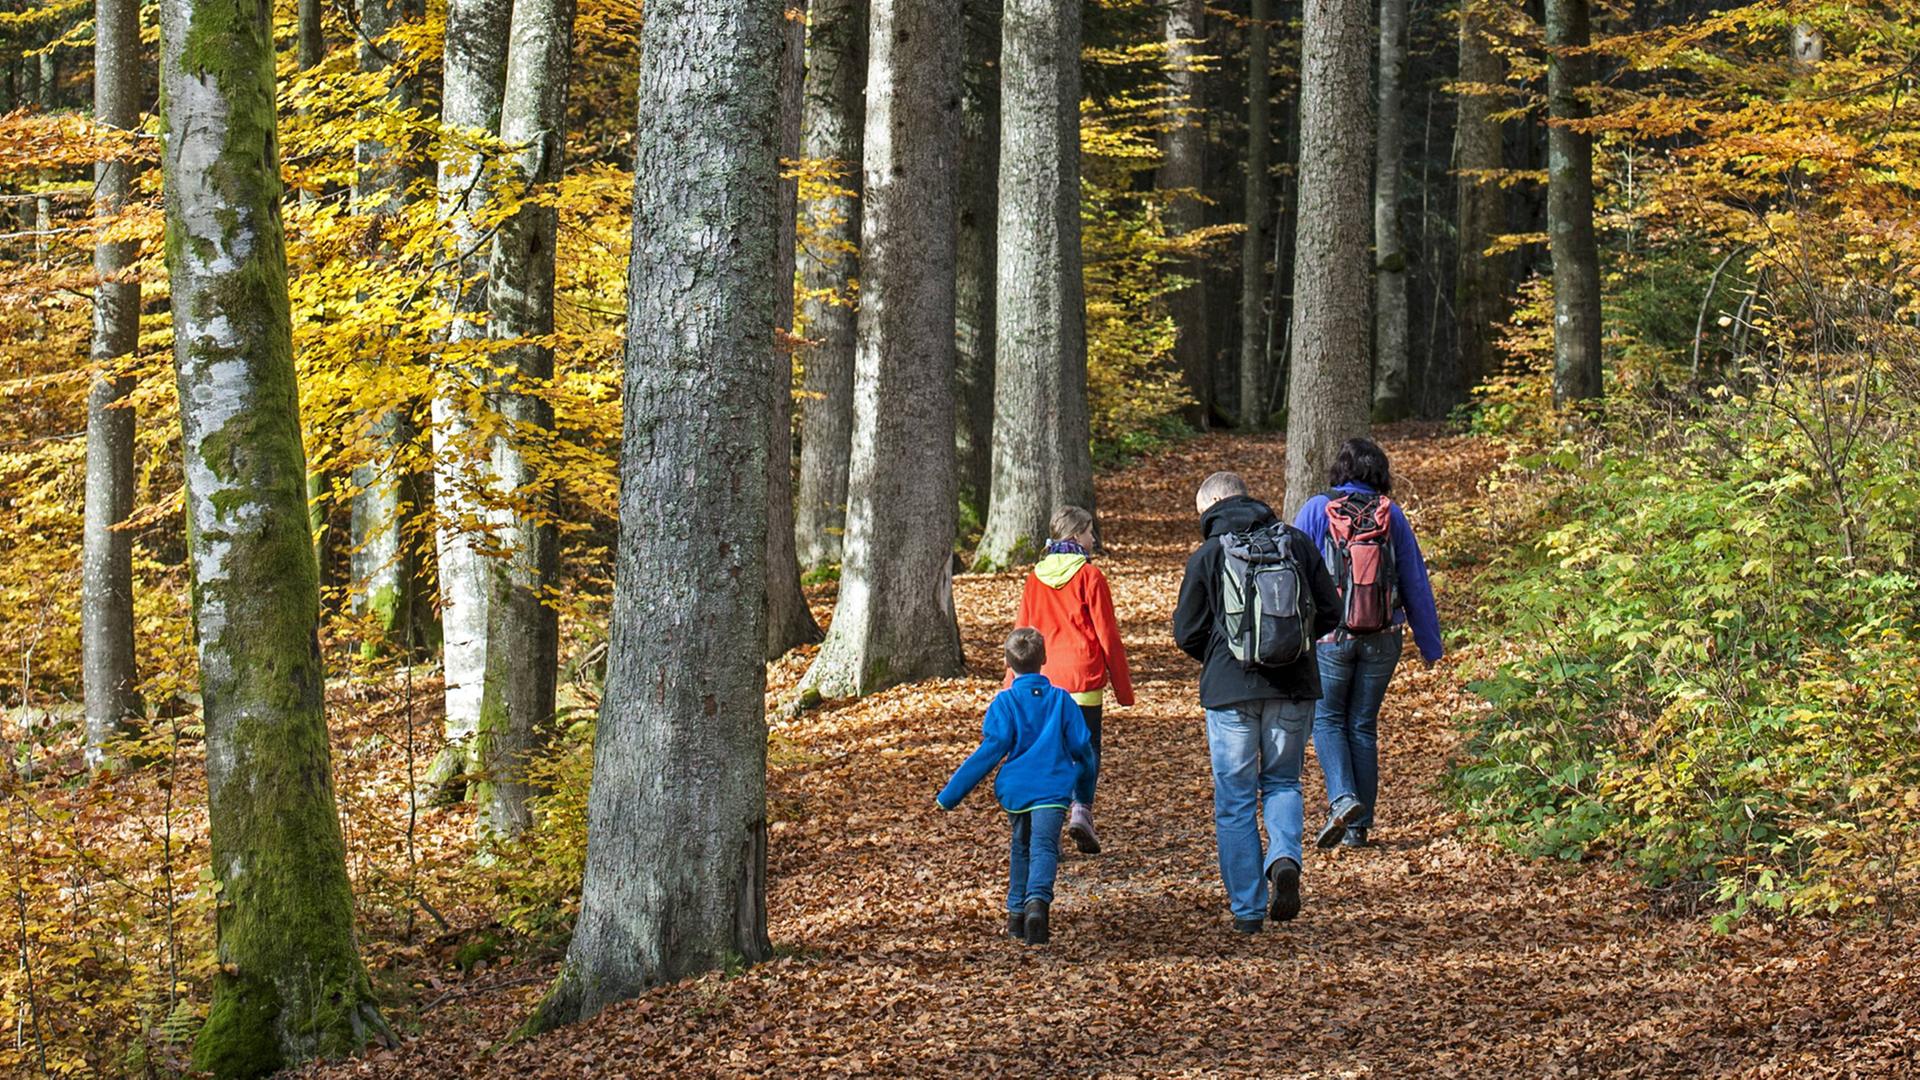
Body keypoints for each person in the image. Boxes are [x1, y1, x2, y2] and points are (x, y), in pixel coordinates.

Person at [1172, 472, 1338, 933]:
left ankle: (1247, 910)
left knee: (1236, 800)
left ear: (1211, 507)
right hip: (1294, 686)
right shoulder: (1297, 544)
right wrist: (1294, 647)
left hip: (1230, 691)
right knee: (1284, 782)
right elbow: (1330, 612)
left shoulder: (1208, 555)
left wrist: (1224, 653)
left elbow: (1186, 631)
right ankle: (1284, 857)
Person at [1292, 437, 1443, 850]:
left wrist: (1290, 638)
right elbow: (1414, 580)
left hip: (1330, 637)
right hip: (1384, 637)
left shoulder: (1316, 509)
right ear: (1380, 473)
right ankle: (1359, 829)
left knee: (1327, 721)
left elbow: (1292, 571)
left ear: (1340, 471)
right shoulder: (1391, 514)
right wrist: (1431, 645)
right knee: (1362, 724)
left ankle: (1342, 799)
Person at [937, 628, 1096, 946]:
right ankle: (1037, 902)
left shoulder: (1005, 703)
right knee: (1044, 847)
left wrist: (950, 795)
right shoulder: (1062, 701)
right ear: (1045, 660)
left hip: (1016, 790)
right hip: (1052, 788)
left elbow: (990, 751)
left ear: (1008, 663)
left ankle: (1016, 916)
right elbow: (1083, 749)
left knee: (1021, 846)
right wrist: (1084, 794)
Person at [1012, 506, 1134, 855]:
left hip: (1045, 679)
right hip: (1083, 678)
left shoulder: (1035, 578)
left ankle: (1046, 830)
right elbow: (1107, 635)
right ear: (1076, 534)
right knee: (1086, 748)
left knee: (1050, 752)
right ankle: (1081, 810)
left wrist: (1012, 686)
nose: (1093, 539)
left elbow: (1022, 633)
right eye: (1089, 532)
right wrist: (1123, 690)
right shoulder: (1090, 577)